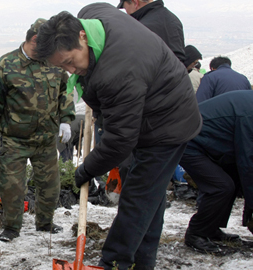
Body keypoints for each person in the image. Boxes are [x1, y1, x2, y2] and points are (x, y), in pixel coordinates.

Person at [35, 5, 201, 269]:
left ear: (82, 36)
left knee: (138, 197)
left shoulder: (118, 71)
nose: (69, 70)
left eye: (69, 61)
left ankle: (114, 263)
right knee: (150, 198)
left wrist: (86, 170)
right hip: (148, 107)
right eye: (61, 65)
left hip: (168, 123)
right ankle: (142, 263)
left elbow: (120, 140)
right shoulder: (93, 15)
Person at [0, 18, 75, 242]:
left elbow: (64, 92)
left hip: (46, 140)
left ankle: (45, 222)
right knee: (12, 187)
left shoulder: (54, 63)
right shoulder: (6, 64)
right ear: (35, 39)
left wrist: (66, 119)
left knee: (50, 186)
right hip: (14, 141)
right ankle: (11, 228)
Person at [179, 90, 253, 254]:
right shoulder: (249, 115)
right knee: (221, 186)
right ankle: (196, 233)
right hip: (188, 142)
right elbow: (247, 160)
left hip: (210, 145)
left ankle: (211, 229)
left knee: (231, 181)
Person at [118, 0, 185, 62]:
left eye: (125, 7)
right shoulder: (174, 20)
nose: (126, 12)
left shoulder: (141, 27)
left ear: (135, 3)